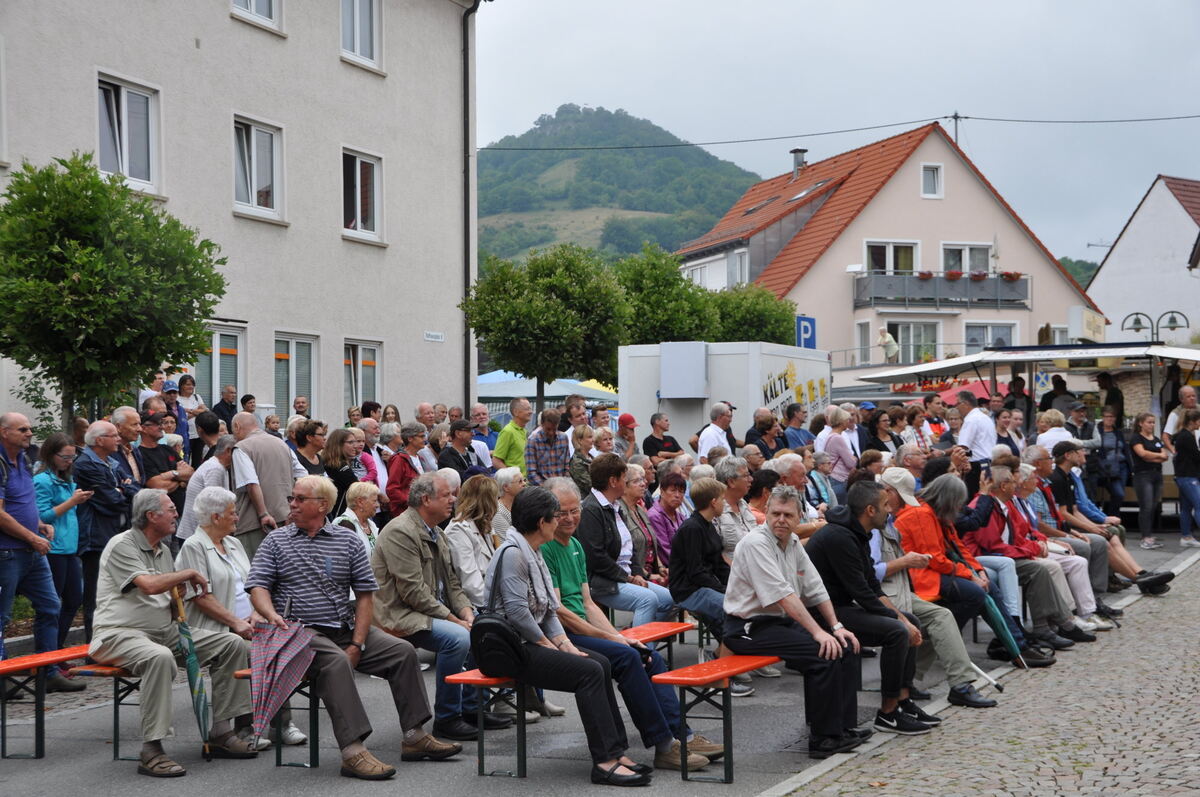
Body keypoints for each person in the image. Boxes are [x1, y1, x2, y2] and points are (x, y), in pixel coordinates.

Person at [248, 476, 460, 779]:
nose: (291, 504)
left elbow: (364, 596)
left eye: (298, 499)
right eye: (292, 498)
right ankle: (353, 751)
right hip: (298, 630)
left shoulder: (346, 540)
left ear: (322, 505)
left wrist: (358, 643)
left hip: (344, 626)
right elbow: (258, 586)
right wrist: (270, 614)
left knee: (401, 651)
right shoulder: (276, 541)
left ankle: (414, 736)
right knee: (335, 663)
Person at [541, 478, 723, 770]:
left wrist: (619, 636)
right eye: (562, 512)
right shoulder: (546, 548)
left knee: (645, 654)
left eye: (575, 510)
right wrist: (613, 640)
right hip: (562, 636)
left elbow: (588, 604)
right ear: (548, 513)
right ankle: (664, 746)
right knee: (628, 658)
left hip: (584, 628)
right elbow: (560, 612)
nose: (570, 517)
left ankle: (681, 736)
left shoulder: (575, 544)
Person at [484, 487, 651, 786]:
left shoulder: (531, 551)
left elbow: (549, 610)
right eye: (555, 516)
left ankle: (615, 751)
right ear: (541, 522)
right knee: (589, 672)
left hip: (527, 643)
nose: (560, 521)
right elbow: (518, 614)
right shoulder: (513, 554)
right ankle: (603, 762)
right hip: (511, 650)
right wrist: (549, 645)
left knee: (600, 663)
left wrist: (564, 644)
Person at [90, 489, 256, 776]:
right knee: (159, 657)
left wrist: (174, 593)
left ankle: (221, 731)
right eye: (170, 509)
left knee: (231, 643)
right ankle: (152, 749)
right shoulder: (122, 544)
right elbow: (149, 585)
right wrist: (186, 575)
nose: (177, 513)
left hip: (162, 631)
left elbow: (163, 595)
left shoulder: (163, 549)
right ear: (151, 516)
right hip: (118, 634)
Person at [721, 485, 865, 759]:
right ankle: (823, 739)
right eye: (775, 513)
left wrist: (835, 627)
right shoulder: (755, 544)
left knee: (843, 647)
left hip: (776, 622)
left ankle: (843, 728)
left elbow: (815, 587)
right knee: (823, 654)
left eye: (788, 515)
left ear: (800, 516)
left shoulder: (793, 542)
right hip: (747, 628)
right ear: (766, 512)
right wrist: (819, 634)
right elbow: (784, 596)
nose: (781, 520)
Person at [175, 485, 307, 748]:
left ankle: (279, 724)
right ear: (215, 517)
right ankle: (248, 727)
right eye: (232, 513)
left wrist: (257, 612)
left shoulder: (233, 543)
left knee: (281, 644)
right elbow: (201, 596)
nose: (237, 518)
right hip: (214, 628)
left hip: (248, 623)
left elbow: (253, 584)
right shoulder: (194, 546)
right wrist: (236, 622)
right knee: (256, 650)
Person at [807, 481, 939, 735]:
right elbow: (864, 594)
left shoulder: (858, 533)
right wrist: (900, 622)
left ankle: (902, 700)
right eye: (885, 505)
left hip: (840, 607)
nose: (890, 510)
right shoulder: (840, 537)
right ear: (870, 510)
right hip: (823, 614)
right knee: (897, 631)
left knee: (910, 621)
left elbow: (871, 586)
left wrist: (903, 618)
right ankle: (887, 714)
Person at [372, 473, 494, 741]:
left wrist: (467, 613)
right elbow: (413, 592)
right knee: (458, 638)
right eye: (447, 495)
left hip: (428, 611)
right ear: (426, 499)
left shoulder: (436, 531)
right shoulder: (400, 531)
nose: (454, 499)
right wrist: (454, 619)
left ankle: (474, 708)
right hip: (400, 614)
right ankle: (448, 718)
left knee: (481, 627)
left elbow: (452, 582)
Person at [892, 474, 1055, 667]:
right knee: (976, 593)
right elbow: (935, 559)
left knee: (988, 587)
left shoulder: (935, 512)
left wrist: (979, 571)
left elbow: (958, 547)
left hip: (931, 572)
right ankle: (946, 639)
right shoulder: (922, 514)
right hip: (919, 575)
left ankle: (1016, 646)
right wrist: (970, 575)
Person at [873, 468, 997, 708]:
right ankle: (959, 682)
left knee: (952, 610)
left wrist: (975, 571)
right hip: (896, 587)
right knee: (949, 612)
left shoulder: (901, 515)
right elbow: (873, 571)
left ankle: (909, 682)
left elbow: (954, 547)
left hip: (902, 583)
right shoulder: (911, 515)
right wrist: (970, 574)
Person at [577, 454, 675, 626]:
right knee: (648, 600)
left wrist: (637, 573)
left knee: (669, 599)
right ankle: (642, 650)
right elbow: (595, 557)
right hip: (603, 582)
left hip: (623, 576)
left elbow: (630, 547)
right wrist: (628, 578)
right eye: (624, 478)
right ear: (613, 481)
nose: (625, 481)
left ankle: (634, 636)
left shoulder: (614, 506)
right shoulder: (591, 509)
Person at [30, 433, 92, 656]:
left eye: (72, 457)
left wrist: (78, 499)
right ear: (51, 454)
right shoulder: (42, 481)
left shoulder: (66, 479)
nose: (69, 462)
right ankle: (49, 654)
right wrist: (72, 502)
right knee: (52, 605)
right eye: (65, 457)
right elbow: (41, 517)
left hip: (69, 548)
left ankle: (57, 649)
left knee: (74, 599)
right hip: (53, 548)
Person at [230, 412, 297, 558]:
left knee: (254, 572)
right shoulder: (282, 444)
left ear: (237, 426)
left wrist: (263, 514)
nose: (233, 436)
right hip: (285, 518)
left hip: (256, 523)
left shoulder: (242, 447)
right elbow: (302, 475)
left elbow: (251, 483)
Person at [445, 475, 502, 608]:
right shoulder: (458, 530)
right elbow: (470, 584)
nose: (498, 504)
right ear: (488, 502)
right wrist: (499, 609)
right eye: (496, 499)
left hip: (493, 598)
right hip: (477, 606)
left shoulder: (484, 525)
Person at [177, 434, 235, 540]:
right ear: (228, 450)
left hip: (199, 534)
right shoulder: (215, 468)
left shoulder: (217, 466)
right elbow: (214, 504)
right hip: (196, 536)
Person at [618, 463, 667, 588]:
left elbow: (651, 543)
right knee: (671, 600)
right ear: (624, 486)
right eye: (636, 481)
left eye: (642, 480)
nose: (643, 484)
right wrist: (647, 575)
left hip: (652, 571)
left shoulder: (640, 509)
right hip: (636, 576)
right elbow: (625, 554)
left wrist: (661, 567)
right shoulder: (619, 512)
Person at [1129, 412, 1169, 549]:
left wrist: (1155, 456)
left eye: (1153, 422)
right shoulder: (1136, 438)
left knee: (1153, 506)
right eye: (1149, 422)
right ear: (1141, 423)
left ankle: (1149, 535)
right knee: (1145, 506)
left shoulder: (1156, 439)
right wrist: (1158, 456)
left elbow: (1165, 456)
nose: (1152, 425)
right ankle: (1145, 537)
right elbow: (1142, 454)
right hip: (1143, 475)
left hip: (1157, 474)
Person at [712, 456, 757, 557]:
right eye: (746, 476)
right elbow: (715, 553)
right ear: (731, 482)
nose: (751, 479)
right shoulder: (714, 510)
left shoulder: (743, 504)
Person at [956, 390, 997, 497]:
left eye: (958, 404)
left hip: (976, 466)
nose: (957, 408)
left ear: (965, 404)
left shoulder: (971, 419)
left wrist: (943, 452)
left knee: (974, 500)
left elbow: (962, 447)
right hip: (988, 463)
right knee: (986, 497)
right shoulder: (985, 417)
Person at [385, 422, 427, 516]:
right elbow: (392, 489)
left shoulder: (420, 458)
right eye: (421, 436)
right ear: (410, 438)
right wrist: (411, 502)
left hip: (421, 511)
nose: (424, 439)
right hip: (404, 513)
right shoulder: (399, 459)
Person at [1095, 406, 1129, 517]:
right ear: (1102, 417)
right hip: (1106, 467)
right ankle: (1109, 517)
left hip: (1121, 466)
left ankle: (1113, 517)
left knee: (1119, 495)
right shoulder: (1097, 432)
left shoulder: (1118, 432)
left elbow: (1125, 449)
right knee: (1118, 493)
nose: (1110, 419)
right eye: (1107, 416)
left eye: (1112, 417)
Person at [335, 481, 384, 559]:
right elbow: (342, 561)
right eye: (374, 501)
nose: (377, 505)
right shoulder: (344, 524)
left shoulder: (371, 524)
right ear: (360, 502)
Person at [1173, 409, 1200, 548]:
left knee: (1186, 507)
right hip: (1189, 476)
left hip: (1183, 476)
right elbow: (1196, 456)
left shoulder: (1182, 435)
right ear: (1192, 422)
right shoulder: (1187, 437)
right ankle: (1187, 536)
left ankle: (1186, 536)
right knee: (1199, 504)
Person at [647, 470, 687, 559]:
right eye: (673, 490)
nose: (677, 495)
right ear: (662, 492)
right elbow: (665, 551)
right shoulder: (654, 516)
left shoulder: (681, 517)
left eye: (681, 491)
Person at [525, 409, 570, 486]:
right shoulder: (533, 440)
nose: (551, 433)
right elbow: (531, 472)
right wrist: (547, 490)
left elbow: (567, 467)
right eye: (548, 429)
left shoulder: (563, 438)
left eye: (554, 429)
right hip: (541, 488)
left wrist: (564, 485)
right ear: (542, 424)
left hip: (561, 486)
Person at [821, 406, 857, 502]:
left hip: (832, 477)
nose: (848, 422)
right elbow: (851, 463)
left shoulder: (830, 436)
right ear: (841, 421)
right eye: (846, 420)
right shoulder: (838, 438)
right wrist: (854, 459)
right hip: (839, 479)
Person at [493, 397, 531, 476]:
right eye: (527, 409)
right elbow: (496, 461)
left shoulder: (525, 431)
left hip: (527, 483)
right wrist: (513, 477)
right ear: (516, 412)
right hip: (516, 485)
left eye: (530, 409)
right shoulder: (508, 431)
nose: (531, 412)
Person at [1162, 385, 1199, 454]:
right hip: (1186, 455)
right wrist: (1173, 450)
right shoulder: (1175, 414)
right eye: (1188, 396)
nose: (1192, 398)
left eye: (1193, 396)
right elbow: (1165, 436)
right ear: (1182, 399)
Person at [490, 467, 525, 538]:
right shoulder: (498, 512)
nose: (524, 483)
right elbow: (507, 541)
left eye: (524, 480)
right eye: (520, 481)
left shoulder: (523, 505)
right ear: (506, 487)